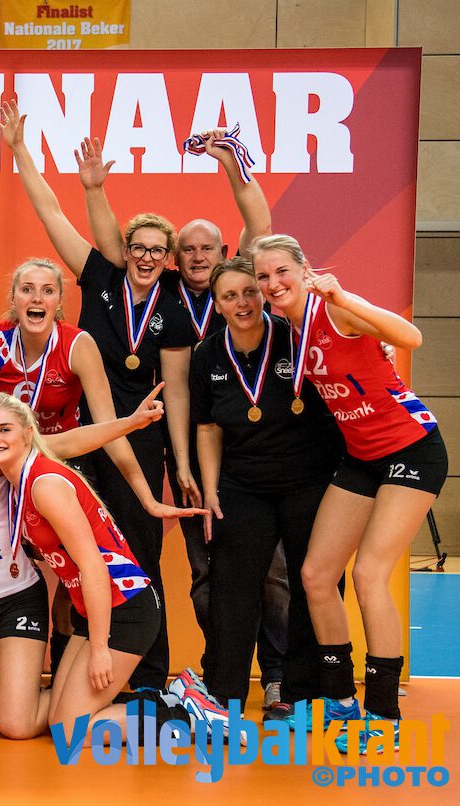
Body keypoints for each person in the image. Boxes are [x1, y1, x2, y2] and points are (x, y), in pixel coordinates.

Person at [0, 101, 196, 689]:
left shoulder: (174, 305)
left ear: (167, 258)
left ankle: (151, 678)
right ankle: (75, 663)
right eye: (139, 247)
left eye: (158, 250)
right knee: (73, 555)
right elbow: (51, 211)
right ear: (124, 250)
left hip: (141, 436)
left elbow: (176, 391)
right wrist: (20, 150)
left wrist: (178, 460)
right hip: (86, 435)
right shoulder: (99, 276)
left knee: (139, 554)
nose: (147, 257)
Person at [83, 129, 285, 703]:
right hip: (182, 445)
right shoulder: (162, 288)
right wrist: (95, 190)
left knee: (270, 570)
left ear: (226, 257)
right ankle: (220, 674)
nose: (198, 258)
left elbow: (260, 222)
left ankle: (275, 672)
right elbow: (111, 244)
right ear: (175, 257)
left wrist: (231, 165)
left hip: (243, 439)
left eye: (208, 250)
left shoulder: (238, 290)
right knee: (204, 572)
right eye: (188, 250)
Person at [0, 379, 189, 737]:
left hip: (120, 604)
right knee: (44, 718)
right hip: (84, 608)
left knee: (63, 730)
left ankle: (178, 711)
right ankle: (16, 689)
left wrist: (130, 424)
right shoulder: (16, 481)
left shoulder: (35, 478)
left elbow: (92, 563)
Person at [253, 235, 447, 753]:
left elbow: (410, 337)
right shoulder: (289, 328)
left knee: (369, 574)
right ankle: (339, 699)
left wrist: (346, 300)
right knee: (316, 576)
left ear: (305, 269)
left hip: (412, 449)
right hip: (361, 458)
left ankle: (384, 713)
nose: (273, 283)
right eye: (263, 276)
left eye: (281, 271)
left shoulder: (335, 308)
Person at [0, 256, 190, 672]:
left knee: (70, 571)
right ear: (13, 297)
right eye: (27, 289)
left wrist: (147, 499)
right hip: (4, 461)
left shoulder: (78, 344)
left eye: (47, 291)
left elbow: (108, 429)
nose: (37, 299)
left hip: (60, 458)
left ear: (59, 300)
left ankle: (67, 664)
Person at [0, 393, 206, 745]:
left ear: (27, 433)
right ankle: (164, 703)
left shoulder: (44, 484)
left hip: (125, 609)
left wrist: (99, 649)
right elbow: (73, 440)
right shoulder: (22, 476)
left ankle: (185, 714)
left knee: (70, 733)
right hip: (96, 609)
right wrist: (129, 423)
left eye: (4, 429)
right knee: (57, 721)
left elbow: (93, 567)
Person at [192, 258, 342, 715]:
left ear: (262, 294)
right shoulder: (207, 354)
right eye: (229, 296)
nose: (242, 302)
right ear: (217, 305)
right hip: (243, 485)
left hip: (308, 480)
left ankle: (300, 693)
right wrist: (211, 490)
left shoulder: (295, 336)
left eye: (249, 292)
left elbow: (347, 357)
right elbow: (207, 427)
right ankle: (225, 695)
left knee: (310, 583)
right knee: (232, 589)